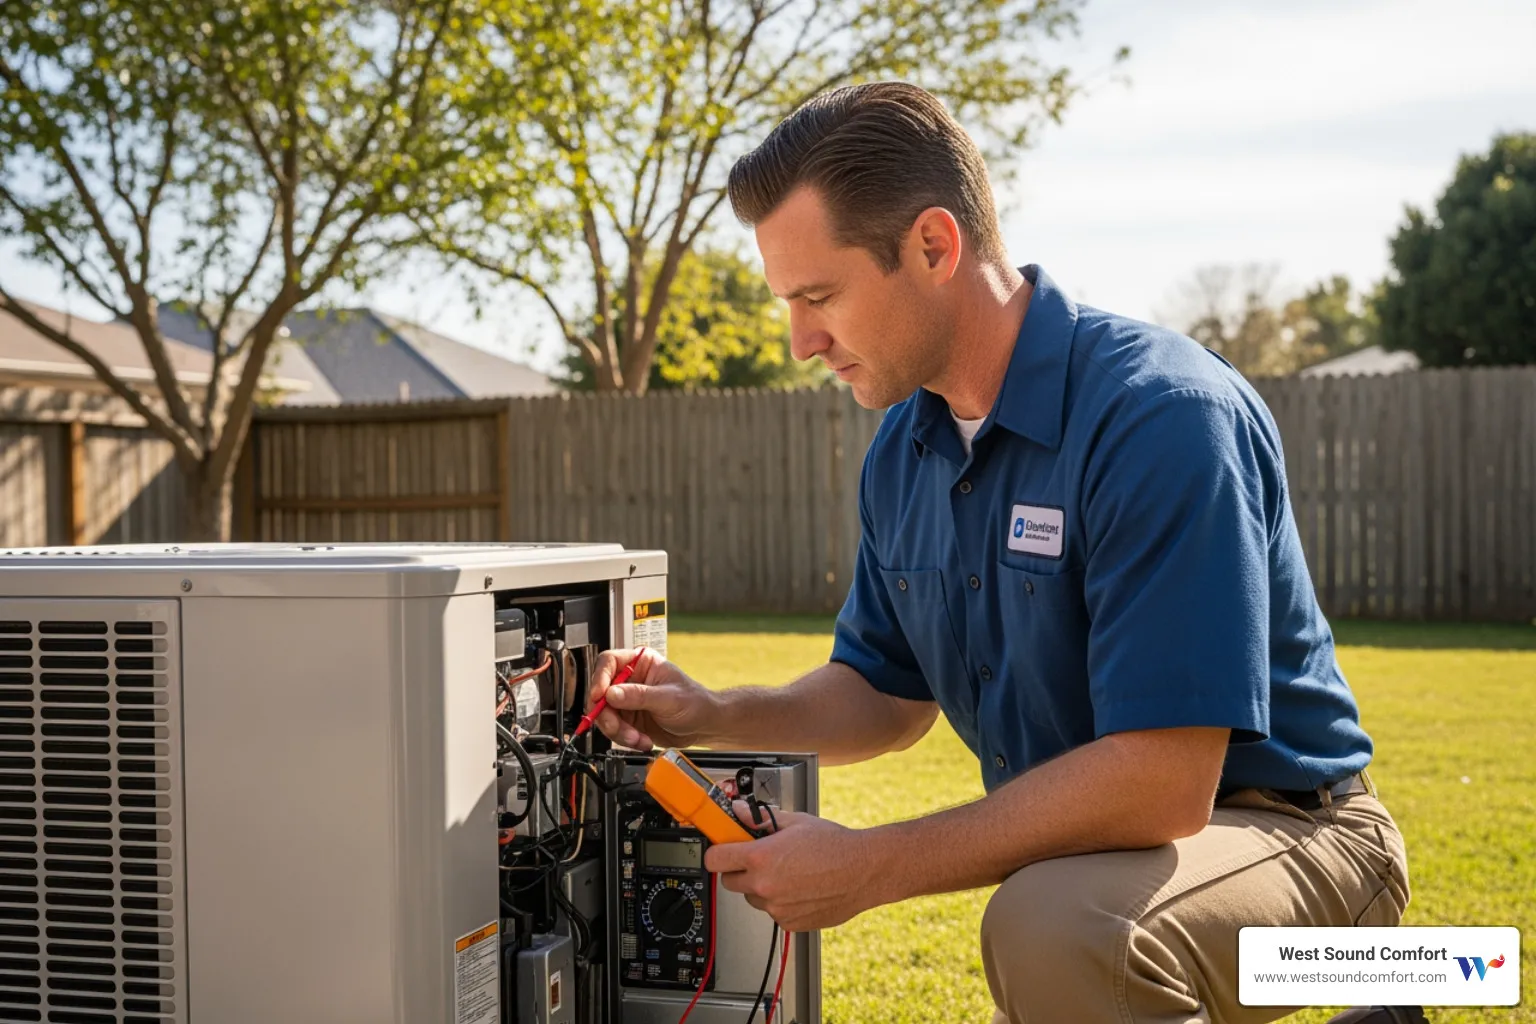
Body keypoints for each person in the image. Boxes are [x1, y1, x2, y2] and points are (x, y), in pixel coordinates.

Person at [586, 81, 1415, 1024]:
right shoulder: (905, 450)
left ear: (935, 246)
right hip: (1121, 863)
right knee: (1059, 916)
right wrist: (711, 713)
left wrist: (872, 865)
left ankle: (1378, 990)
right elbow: (884, 697)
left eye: (819, 296)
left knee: (1061, 929)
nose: (801, 340)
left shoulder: (1162, 417)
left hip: (1304, 838)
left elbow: (1163, 782)